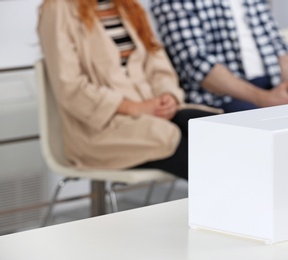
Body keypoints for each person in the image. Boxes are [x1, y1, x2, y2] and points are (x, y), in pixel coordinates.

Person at [38, 0, 219, 180]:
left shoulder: (127, 4)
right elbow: (70, 88)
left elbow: (157, 63)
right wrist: (134, 108)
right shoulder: (57, 8)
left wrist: (168, 95)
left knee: (213, 127)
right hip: (102, 128)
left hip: (151, 110)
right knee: (170, 139)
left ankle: (233, 204)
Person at [151, 0, 288, 113]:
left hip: (274, 88)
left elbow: (278, 43)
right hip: (219, 100)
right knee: (281, 135)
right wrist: (262, 99)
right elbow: (196, 63)